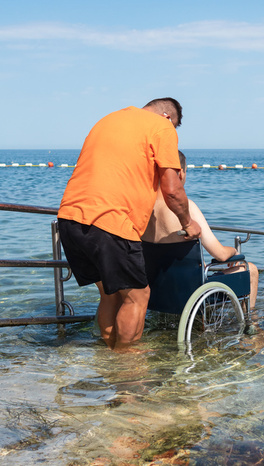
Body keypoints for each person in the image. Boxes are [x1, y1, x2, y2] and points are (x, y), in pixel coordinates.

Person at [57, 98, 202, 350]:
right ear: (168, 117)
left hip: (69, 218)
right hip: (111, 221)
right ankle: (127, 368)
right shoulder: (162, 126)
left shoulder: (108, 119)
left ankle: (111, 356)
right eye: (175, 127)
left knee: (110, 295)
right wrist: (188, 223)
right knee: (138, 296)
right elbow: (172, 190)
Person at [142, 151, 259, 310]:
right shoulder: (187, 208)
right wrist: (233, 251)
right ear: (181, 173)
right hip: (193, 295)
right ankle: (251, 325)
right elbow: (220, 254)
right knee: (250, 269)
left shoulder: (142, 208)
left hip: (157, 294)